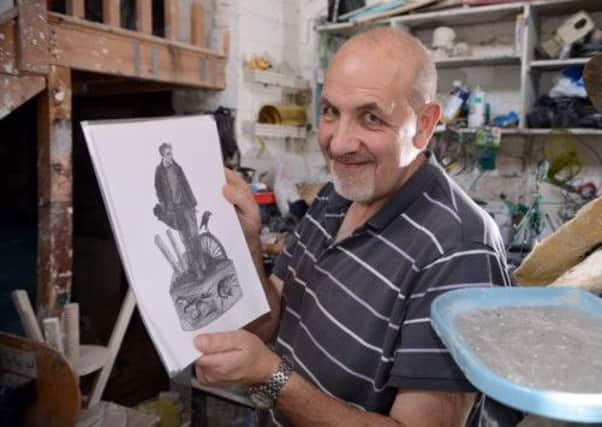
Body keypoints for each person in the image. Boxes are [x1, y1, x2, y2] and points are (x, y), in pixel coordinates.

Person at [193, 28, 511, 426]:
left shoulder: (460, 249)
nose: (339, 143)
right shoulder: (336, 195)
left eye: (371, 117)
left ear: (425, 124)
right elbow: (270, 319)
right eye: (330, 111)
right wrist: (248, 241)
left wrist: (272, 379)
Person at [154, 143, 206, 278]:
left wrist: (194, 204)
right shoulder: (159, 172)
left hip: (187, 206)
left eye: (171, 153)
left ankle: (202, 263)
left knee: (195, 236)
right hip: (175, 210)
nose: (170, 156)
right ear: (162, 155)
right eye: (167, 154)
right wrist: (165, 207)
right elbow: (158, 191)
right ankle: (197, 271)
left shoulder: (177, 168)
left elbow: (186, 184)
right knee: (186, 240)